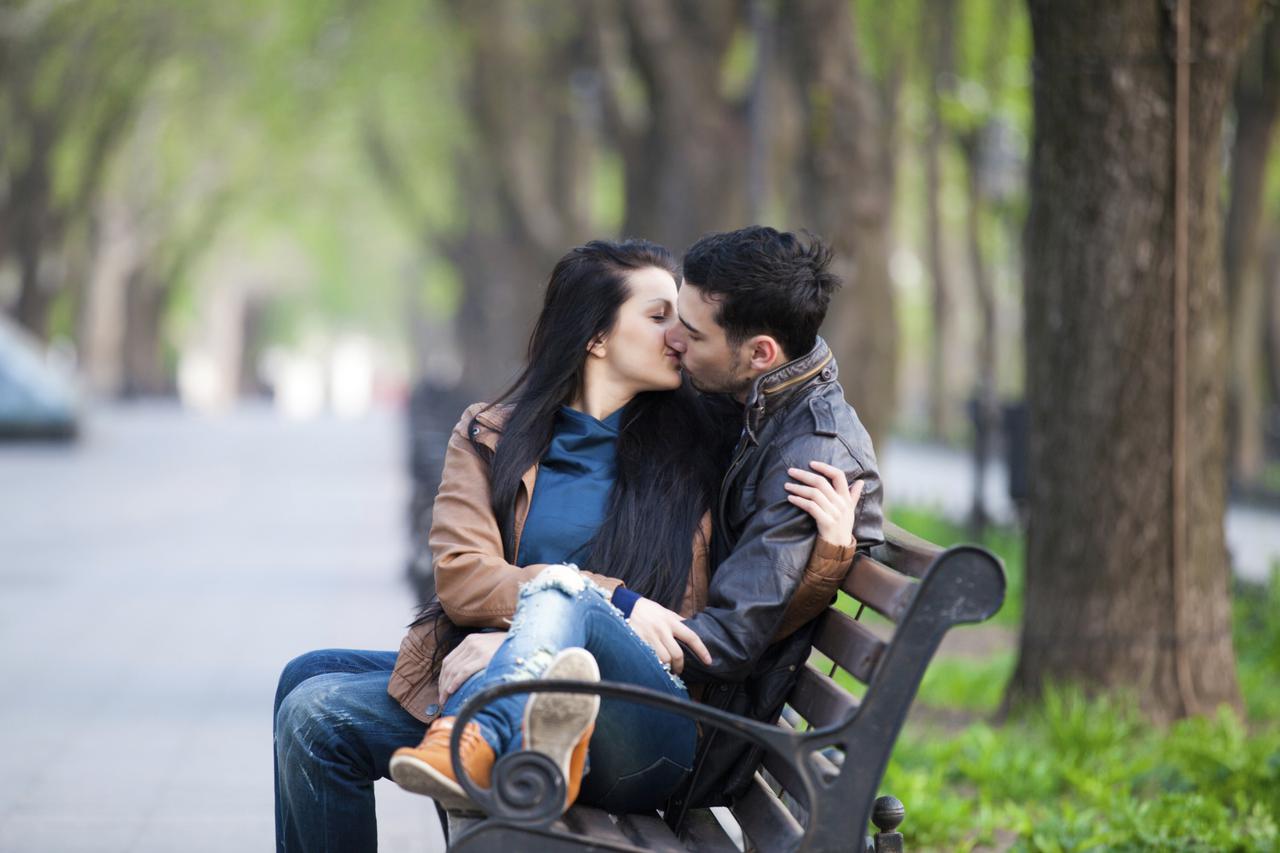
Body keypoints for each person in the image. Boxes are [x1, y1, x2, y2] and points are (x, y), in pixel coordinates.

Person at [273, 238, 863, 852]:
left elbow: (747, 613)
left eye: (685, 323)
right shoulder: (493, 435)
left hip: (643, 712)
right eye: (660, 317)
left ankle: (476, 733)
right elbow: (465, 577)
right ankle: (495, 714)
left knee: (319, 716)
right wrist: (577, 614)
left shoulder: (712, 443)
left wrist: (827, 559)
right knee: (306, 678)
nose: (678, 338)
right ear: (596, 337)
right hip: (540, 684)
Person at [659, 225, 884, 820]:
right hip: (686, 701)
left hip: (698, 735)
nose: (674, 340)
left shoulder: (811, 461)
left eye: (693, 330)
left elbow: (728, 639)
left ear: (761, 352)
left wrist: (603, 619)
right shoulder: (746, 400)